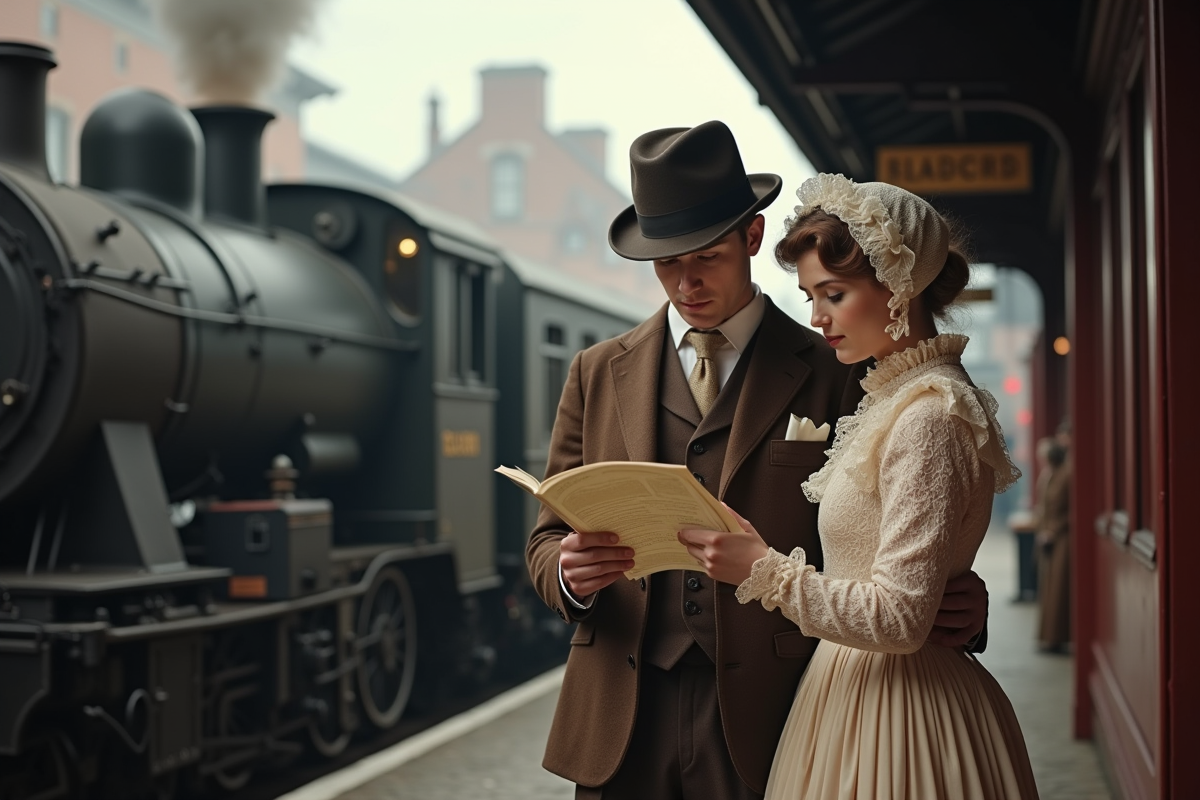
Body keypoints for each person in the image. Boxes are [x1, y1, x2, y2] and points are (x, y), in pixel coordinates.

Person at [525, 122, 991, 800]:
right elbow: (544, 537)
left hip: (777, 707)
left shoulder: (844, 366)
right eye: (666, 263)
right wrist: (568, 575)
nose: (685, 283)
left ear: (750, 238)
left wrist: (960, 598)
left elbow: (902, 530)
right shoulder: (597, 372)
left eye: (706, 256)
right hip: (620, 712)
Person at [679, 172, 1038, 799]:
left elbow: (899, 617)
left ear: (897, 289)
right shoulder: (895, 399)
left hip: (901, 711)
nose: (817, 317)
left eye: (834, 294)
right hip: (849, 690)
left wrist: (764, 570)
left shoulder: (929, 414)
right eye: (811, 295)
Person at [1036, 423, 1071, 652]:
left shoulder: (1067, 473)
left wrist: (1053, 529)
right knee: (1048, 587)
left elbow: (1071, 508)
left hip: (1062, 537)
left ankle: (1057, 637)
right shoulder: (1050, 474)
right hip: (1049, 536)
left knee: (1059, 589)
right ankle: (1048, 637)